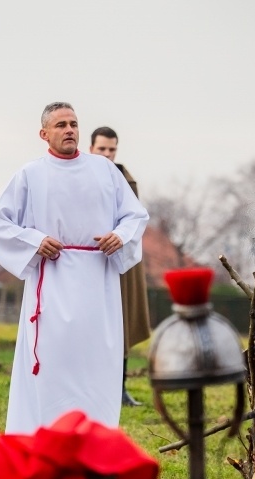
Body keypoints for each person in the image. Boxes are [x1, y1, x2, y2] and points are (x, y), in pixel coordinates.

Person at [0, 102, 149, 434]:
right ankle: (46, 433)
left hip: (98, 282)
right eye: (61, 125)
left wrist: (119, 235)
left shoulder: (104, 170)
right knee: (53, 365)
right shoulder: (31, 174)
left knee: (97, 363)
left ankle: (96, 435)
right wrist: (34, 241)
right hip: (53, 282)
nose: (69, 129)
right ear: (44, 134)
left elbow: (135, 216)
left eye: (73, 123)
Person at [89, 127, 152, 407]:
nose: (107, 154)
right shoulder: (80, 175)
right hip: (87, 258)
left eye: (111, 149)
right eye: (102, 149)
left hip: (120, 262)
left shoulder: (126, 181)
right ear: (91, 148)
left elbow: (134, 221)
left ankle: (120, 389)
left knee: (121, 323)